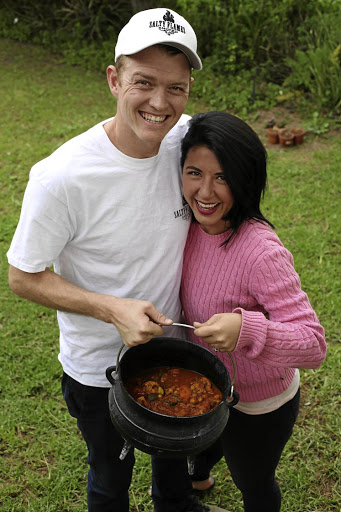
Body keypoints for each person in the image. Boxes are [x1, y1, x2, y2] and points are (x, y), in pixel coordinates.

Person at [6, 8, 221, 512]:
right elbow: (22, 277)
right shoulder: (61, 177)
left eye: (176, 87)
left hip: (173, 349)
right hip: (97, 367)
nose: (159, 103)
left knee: (173, 461)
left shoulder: (187, 143)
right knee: (109, 475)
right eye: (143, 82)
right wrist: (112, 309)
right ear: (113, 78)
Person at [150, 111, 326, 512]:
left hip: (258, 402)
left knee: (253, 480)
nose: (205, 192)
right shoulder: (186, 226)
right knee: (205, 448)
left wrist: (245, 329)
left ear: (245, 179)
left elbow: (314, 345)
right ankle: (200, 479)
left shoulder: (260, 251)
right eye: (194, 173)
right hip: (209, 386)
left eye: (223, 177)